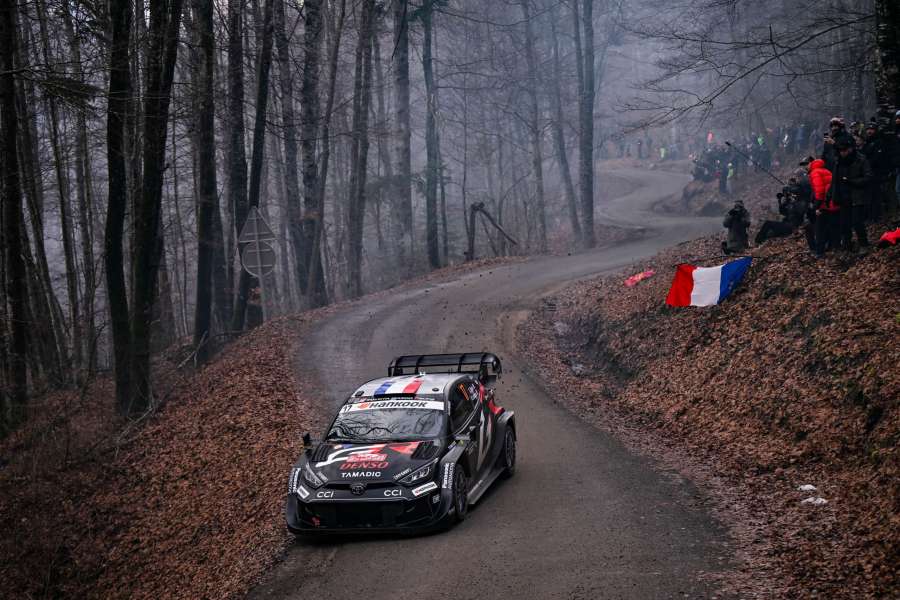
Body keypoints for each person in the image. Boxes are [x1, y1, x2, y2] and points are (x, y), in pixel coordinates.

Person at [828, 138, 872, 254]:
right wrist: (830, 195)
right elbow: (834, 180)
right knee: (844, 224)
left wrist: (852, 181)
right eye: (841, 150)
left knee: (857, 222)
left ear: (850, 149)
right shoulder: (838, 162)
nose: (843, 152)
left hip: (857, 196)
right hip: (843, 197)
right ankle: (847, 245)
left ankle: (864, 244)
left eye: (845, 150)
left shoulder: (861, 159)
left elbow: (868, 178)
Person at [807, 158, 836, 257]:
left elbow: (819, 192)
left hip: (824, 205)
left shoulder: (815, 173)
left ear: (811, 163)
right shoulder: (826, 170)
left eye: (806, 164)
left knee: (819, 229)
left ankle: (820, 252)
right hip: (833, 203)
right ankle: (834, 246)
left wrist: (816, 207)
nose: (805, 167)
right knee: (832, 227)